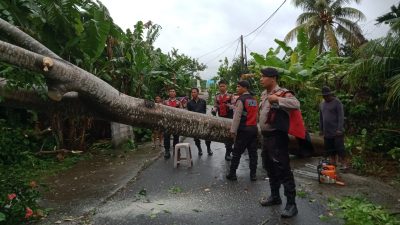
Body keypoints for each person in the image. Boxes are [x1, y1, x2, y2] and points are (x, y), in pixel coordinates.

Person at [258, 68, 299, 218]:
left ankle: (291, 205)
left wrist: (278, 100)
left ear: (273, 78)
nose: (261, 79)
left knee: (283, 170)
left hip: (277, 138)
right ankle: (275, 197)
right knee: (270, 168)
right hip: (266, 138)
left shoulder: (283, 92)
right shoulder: (264, 94)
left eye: (264, 76)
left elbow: (296, 104)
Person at [226, 80, 258, 181]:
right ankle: (253, 175)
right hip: (253, 129)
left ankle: (232, 174)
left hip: (243, 130)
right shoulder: (253, 99)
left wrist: (233, 130)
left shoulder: (241, 100)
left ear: (245, 88)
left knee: (236, 153)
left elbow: (237, 116)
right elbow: (256, 115)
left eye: (239, 87)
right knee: (253, 154)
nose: (237, 88)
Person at [319, 86, 347, 169]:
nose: (325, 97)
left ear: (330, 94)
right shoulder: (322, 104)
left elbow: (341, 116)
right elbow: (321, 117)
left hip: (336, 131)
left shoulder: (337, 102)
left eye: (327, 95)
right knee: (330, 149)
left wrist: (339, 129)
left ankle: (344, 164)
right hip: (327, 131)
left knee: (340, 148)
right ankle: (333, 163)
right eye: (324, 96)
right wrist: (321, 129)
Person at [211, 80, 234, 161]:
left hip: (229, 117)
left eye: (223, 86)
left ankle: (228, 153)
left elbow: (234, 106)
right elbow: (215, 106)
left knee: (229, 135)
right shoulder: (217, 96)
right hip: (221, 117)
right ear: (219, 87)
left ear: (226, 86)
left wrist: (227, 105)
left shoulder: (231, 95)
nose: (222, 88)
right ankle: (229, 148)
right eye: (220, 86)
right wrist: (214, 110)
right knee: (224, 134)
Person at [187, 87, 213, 156]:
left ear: (198, 93)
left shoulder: (203, 101)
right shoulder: (189, 103)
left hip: (203, 122)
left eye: (194, 92)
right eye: (192, 92)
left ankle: (208, 149)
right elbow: (189, 113)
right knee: (196, 138)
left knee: (207, 136)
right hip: (194, 123)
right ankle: (199, 149)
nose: (193, 93)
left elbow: (204, 111)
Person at [163, 88, 182, 159]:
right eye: (170, 91)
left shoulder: (178, 102)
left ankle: (176, 150)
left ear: (175, 93)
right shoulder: (165, 102)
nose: (172, 92)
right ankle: (167, 151)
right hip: (167, 123)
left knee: (176, 137)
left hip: (176, 123)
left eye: (173, 91)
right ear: (169, 93)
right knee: (166, 137)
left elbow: (182, 112)